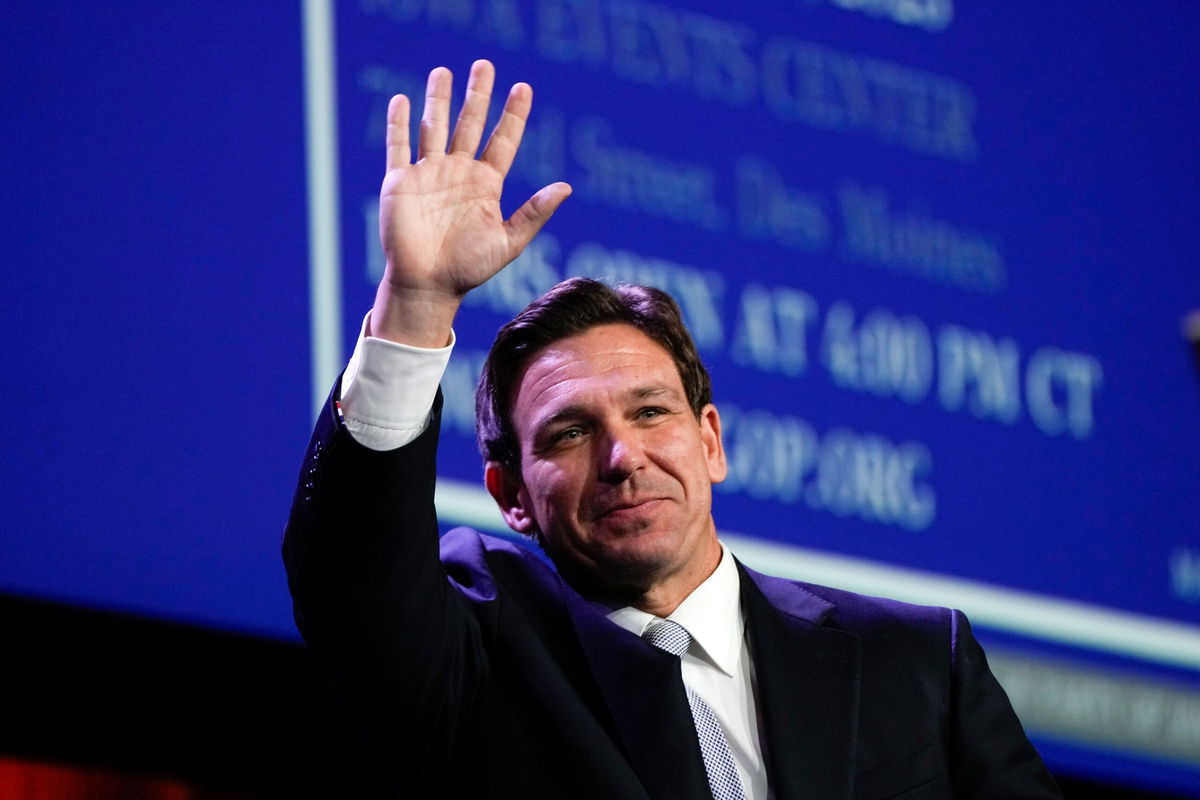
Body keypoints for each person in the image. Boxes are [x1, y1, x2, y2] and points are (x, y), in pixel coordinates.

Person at [284, 60, 1062, 799]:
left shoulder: (918, 662)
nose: (624, 457)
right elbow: (355, 577)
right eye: (569, 434)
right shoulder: (483, 649)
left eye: (651, 411)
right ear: (510, 495)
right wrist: (416, 303)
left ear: (712, 441)